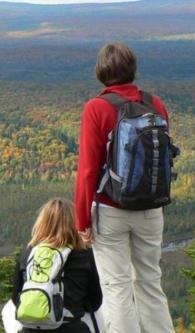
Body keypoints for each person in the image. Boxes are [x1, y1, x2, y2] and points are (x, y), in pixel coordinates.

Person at [75, 42, 175, 332]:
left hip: (110, 210)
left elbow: (88, 170)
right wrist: (160, 205)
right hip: (151, 209)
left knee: (117, 287)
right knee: (150, 283)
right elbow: (163, 160)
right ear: (132, 68)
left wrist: (82, 221)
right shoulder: (155, 103)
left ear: (101, 72)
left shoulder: (97, 108)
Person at [12, 198, 102, 333]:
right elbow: (95, 302)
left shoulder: (28, 254)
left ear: (42, 223)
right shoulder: (84, 255)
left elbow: (16, 298)